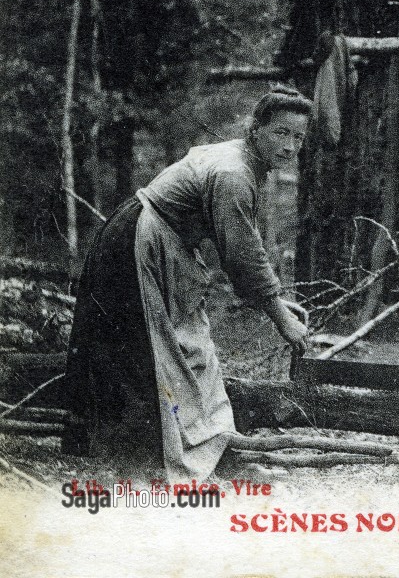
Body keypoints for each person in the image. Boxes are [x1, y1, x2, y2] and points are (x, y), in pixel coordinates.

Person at [63, 86, 315, 479]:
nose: (289, 146)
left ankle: (207, 449)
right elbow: (244, 257)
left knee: (185, 346)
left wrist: (278, 301)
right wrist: (281, 318)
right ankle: (156, 465)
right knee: (152, 354)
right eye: (280, 133)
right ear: (256, 129)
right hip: (139, 241)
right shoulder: (233, 172)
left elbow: (241, 242)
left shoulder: (242, 162)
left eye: (298, 138)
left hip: (159, 240)